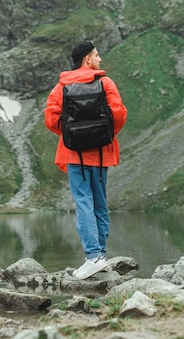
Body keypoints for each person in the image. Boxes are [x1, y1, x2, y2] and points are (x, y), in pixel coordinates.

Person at [44, 40, 127, 280]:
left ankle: (93, 258)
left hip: (74, 154)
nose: (100, 59)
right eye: (97, 55)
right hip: (101, 152)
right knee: (100, 203)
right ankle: (99, 254)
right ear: (87, 59)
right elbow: (119, 113)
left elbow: (51, 119)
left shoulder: (61, 86)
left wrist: (72, 133)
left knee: (83, 203)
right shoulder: (105, 82)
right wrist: (103, 134)